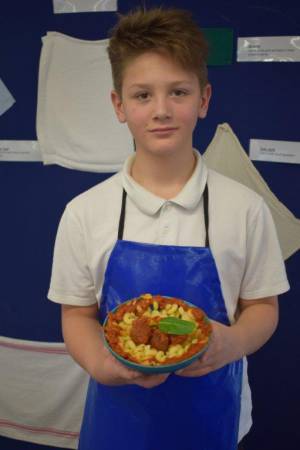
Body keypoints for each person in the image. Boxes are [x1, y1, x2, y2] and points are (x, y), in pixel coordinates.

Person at [47, 7, 290, 450]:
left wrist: (232, 341)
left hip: (217, 416)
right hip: (117, 419)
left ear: (203, 99)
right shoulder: (84, 213)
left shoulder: (245, 209)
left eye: (178, 92)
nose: (161, 110)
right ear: (119, 105)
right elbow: (76, 314)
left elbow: (263, 307)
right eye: (142, 95)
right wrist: (104, 366)